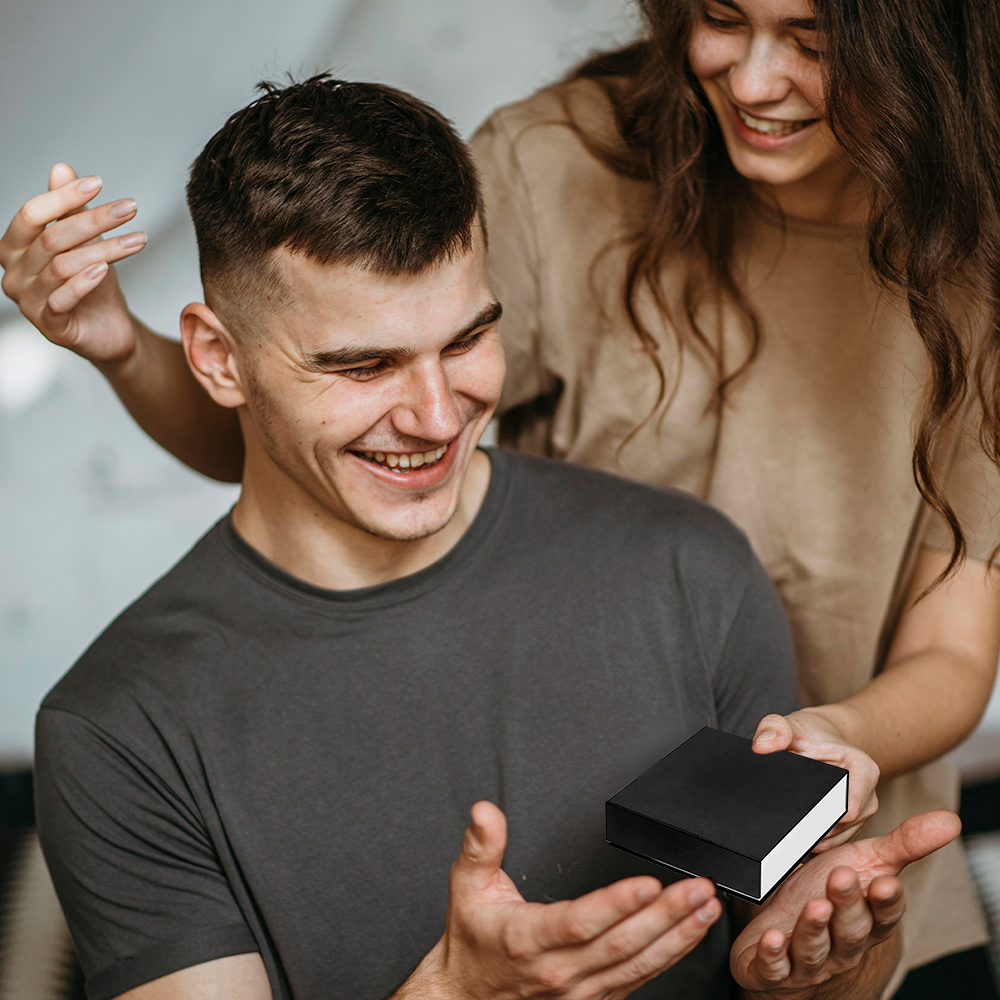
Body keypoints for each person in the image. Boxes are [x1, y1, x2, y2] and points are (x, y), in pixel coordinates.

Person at [3, 1, 1000, 994]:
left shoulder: (695, 561)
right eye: (721, 19)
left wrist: (842, 745)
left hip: (840, 827)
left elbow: (954, 641)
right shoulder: (558, 168)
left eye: (812, 43)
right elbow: (303, 433)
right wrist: (121, 344)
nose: (749, 80)